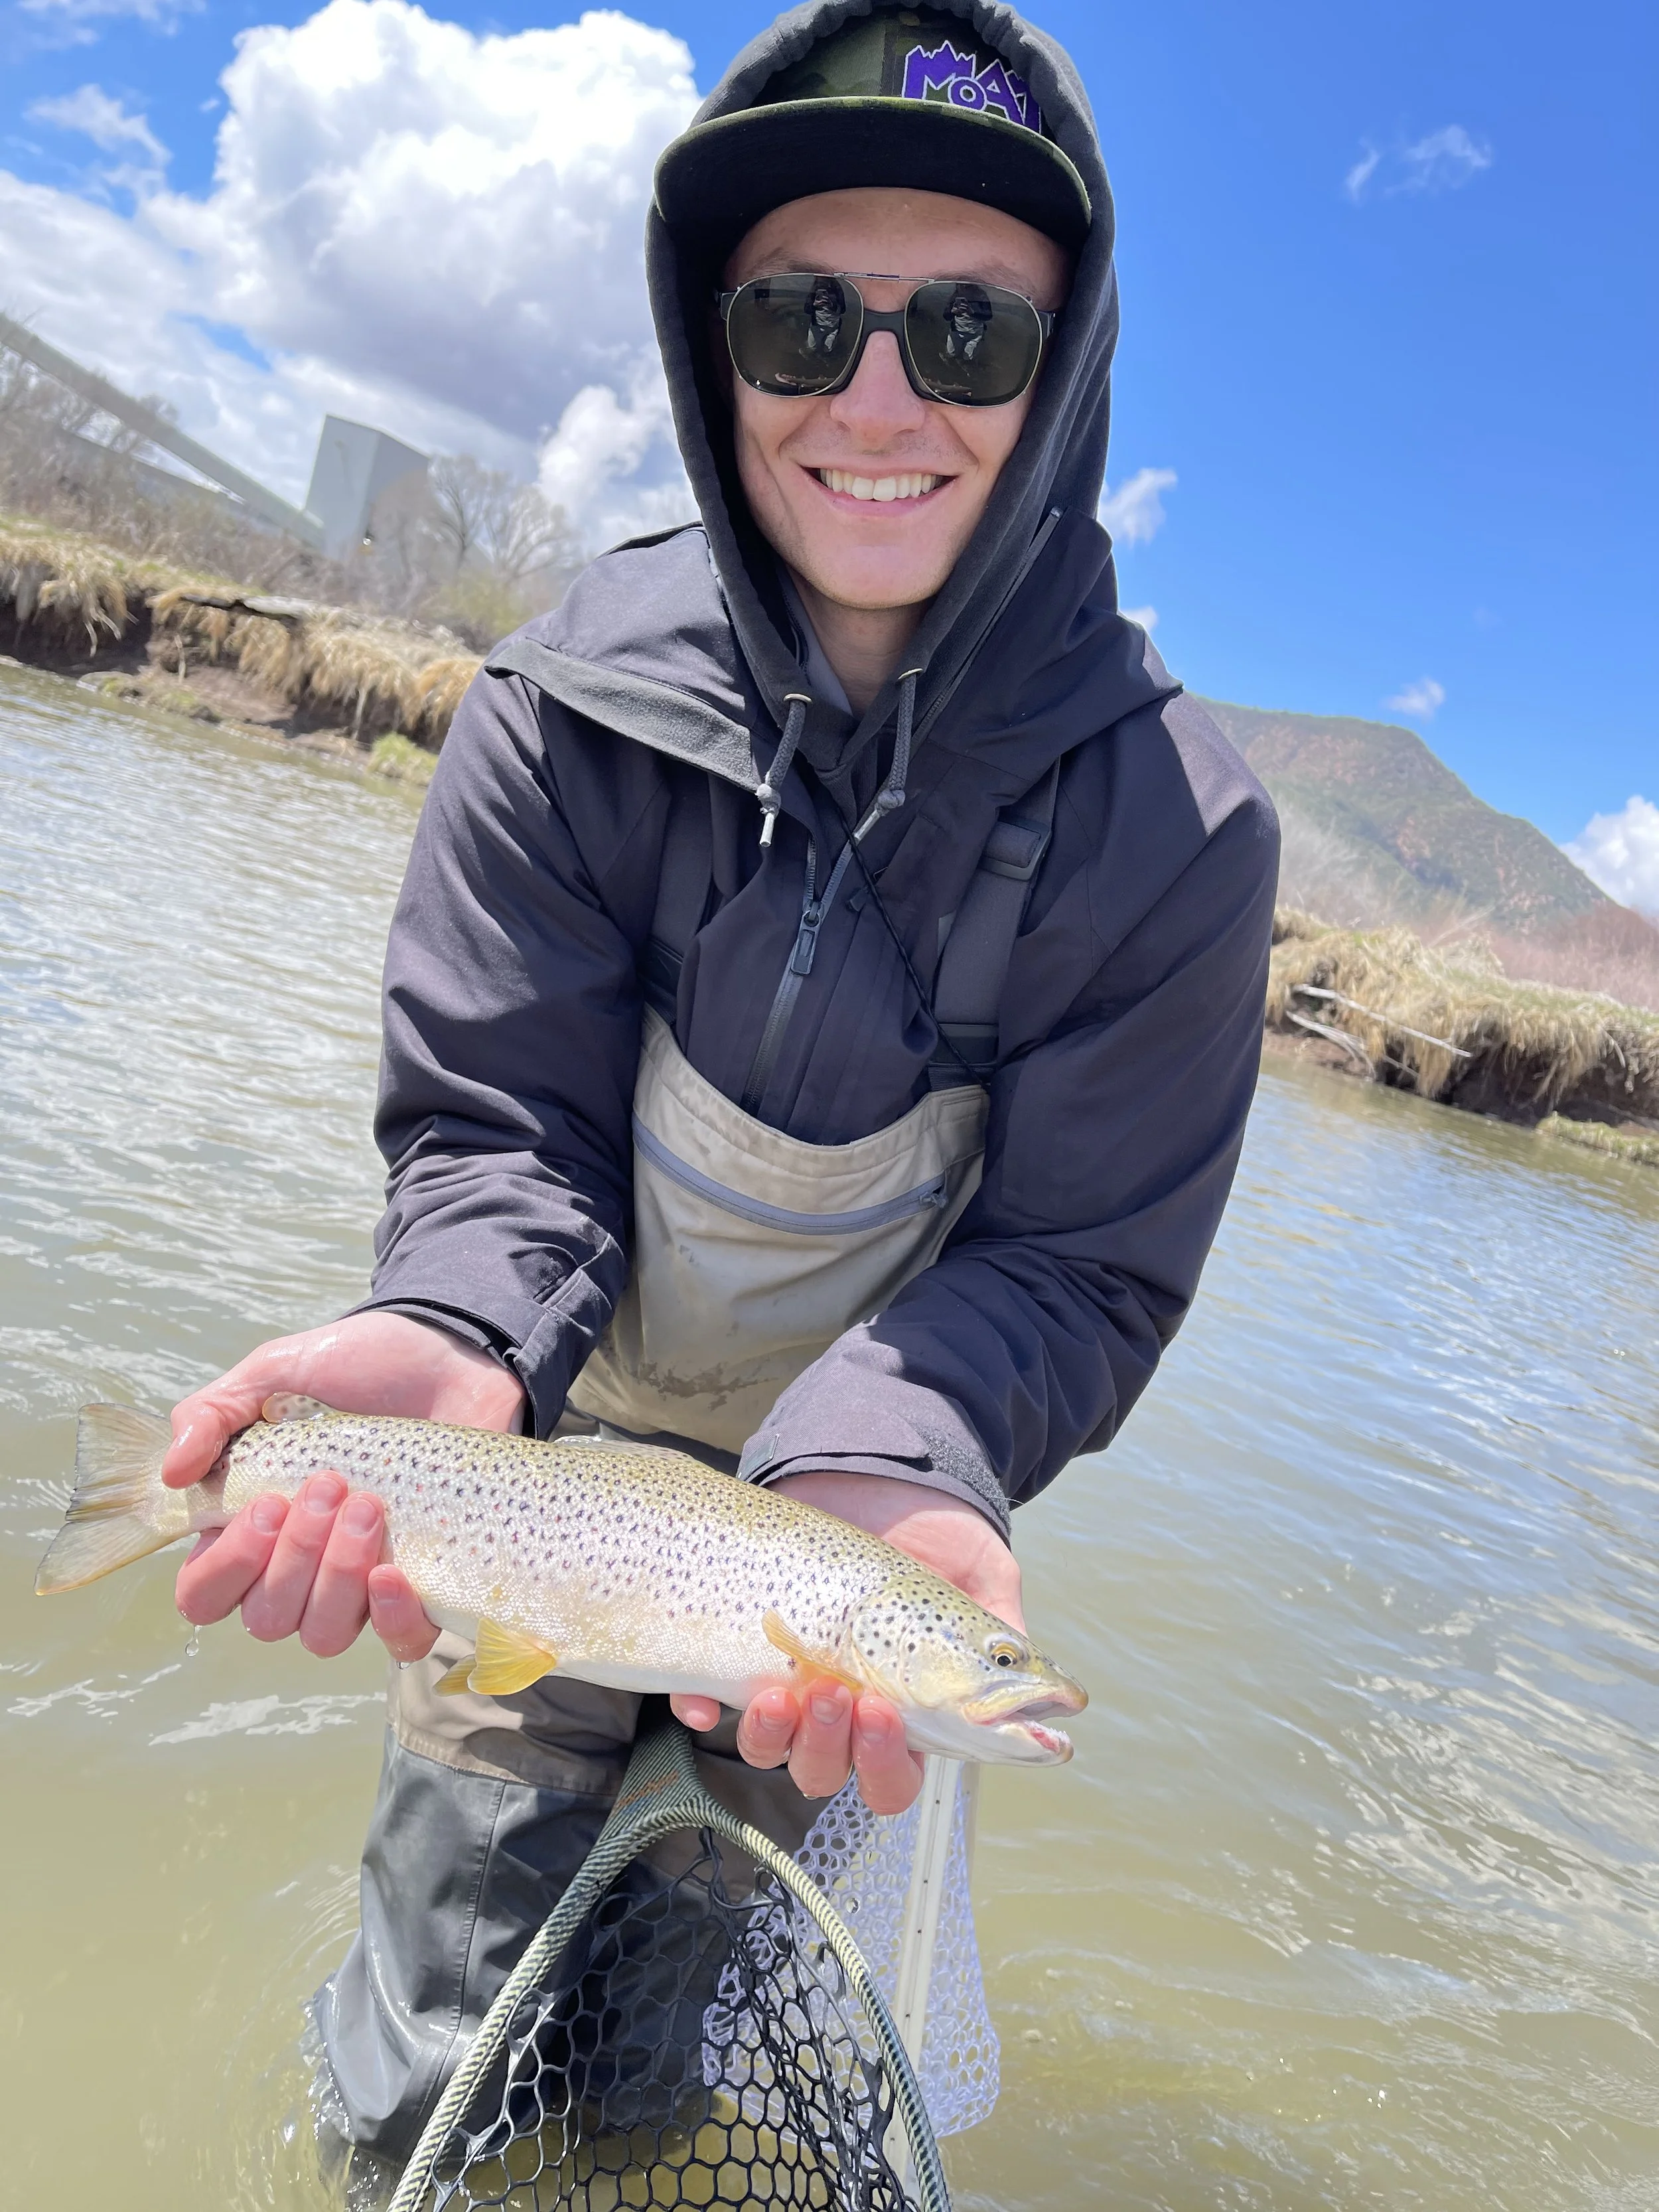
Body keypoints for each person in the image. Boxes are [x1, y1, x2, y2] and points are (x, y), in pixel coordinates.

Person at [165, 0, 1279, 2168]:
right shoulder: (556, 709)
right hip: (539, 1466)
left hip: (838, 1544)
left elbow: (1069, 1262)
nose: (876, 400)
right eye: (799, 324)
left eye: (965, 334)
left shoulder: (1182, 836)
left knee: (653, 2051)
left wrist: (902, 1466)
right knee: (432, 2063)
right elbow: (502, 1135)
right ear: (715, 350)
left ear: (1062, 383)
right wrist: (450, 1327)